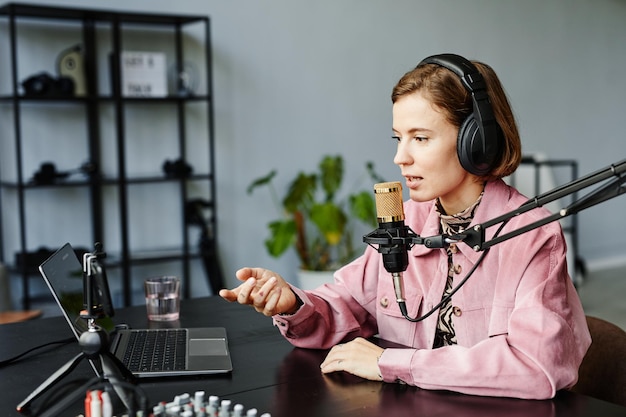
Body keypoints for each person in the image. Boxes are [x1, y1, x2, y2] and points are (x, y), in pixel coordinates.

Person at [219, 53, 591, 400]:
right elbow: (345, 305)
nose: (400, 157)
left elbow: (536, 367)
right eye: (399, 138)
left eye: (421, 138)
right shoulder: (408, 219)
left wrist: (389, 364)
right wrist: (294, 303)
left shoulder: (531, 234)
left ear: (476, 142)